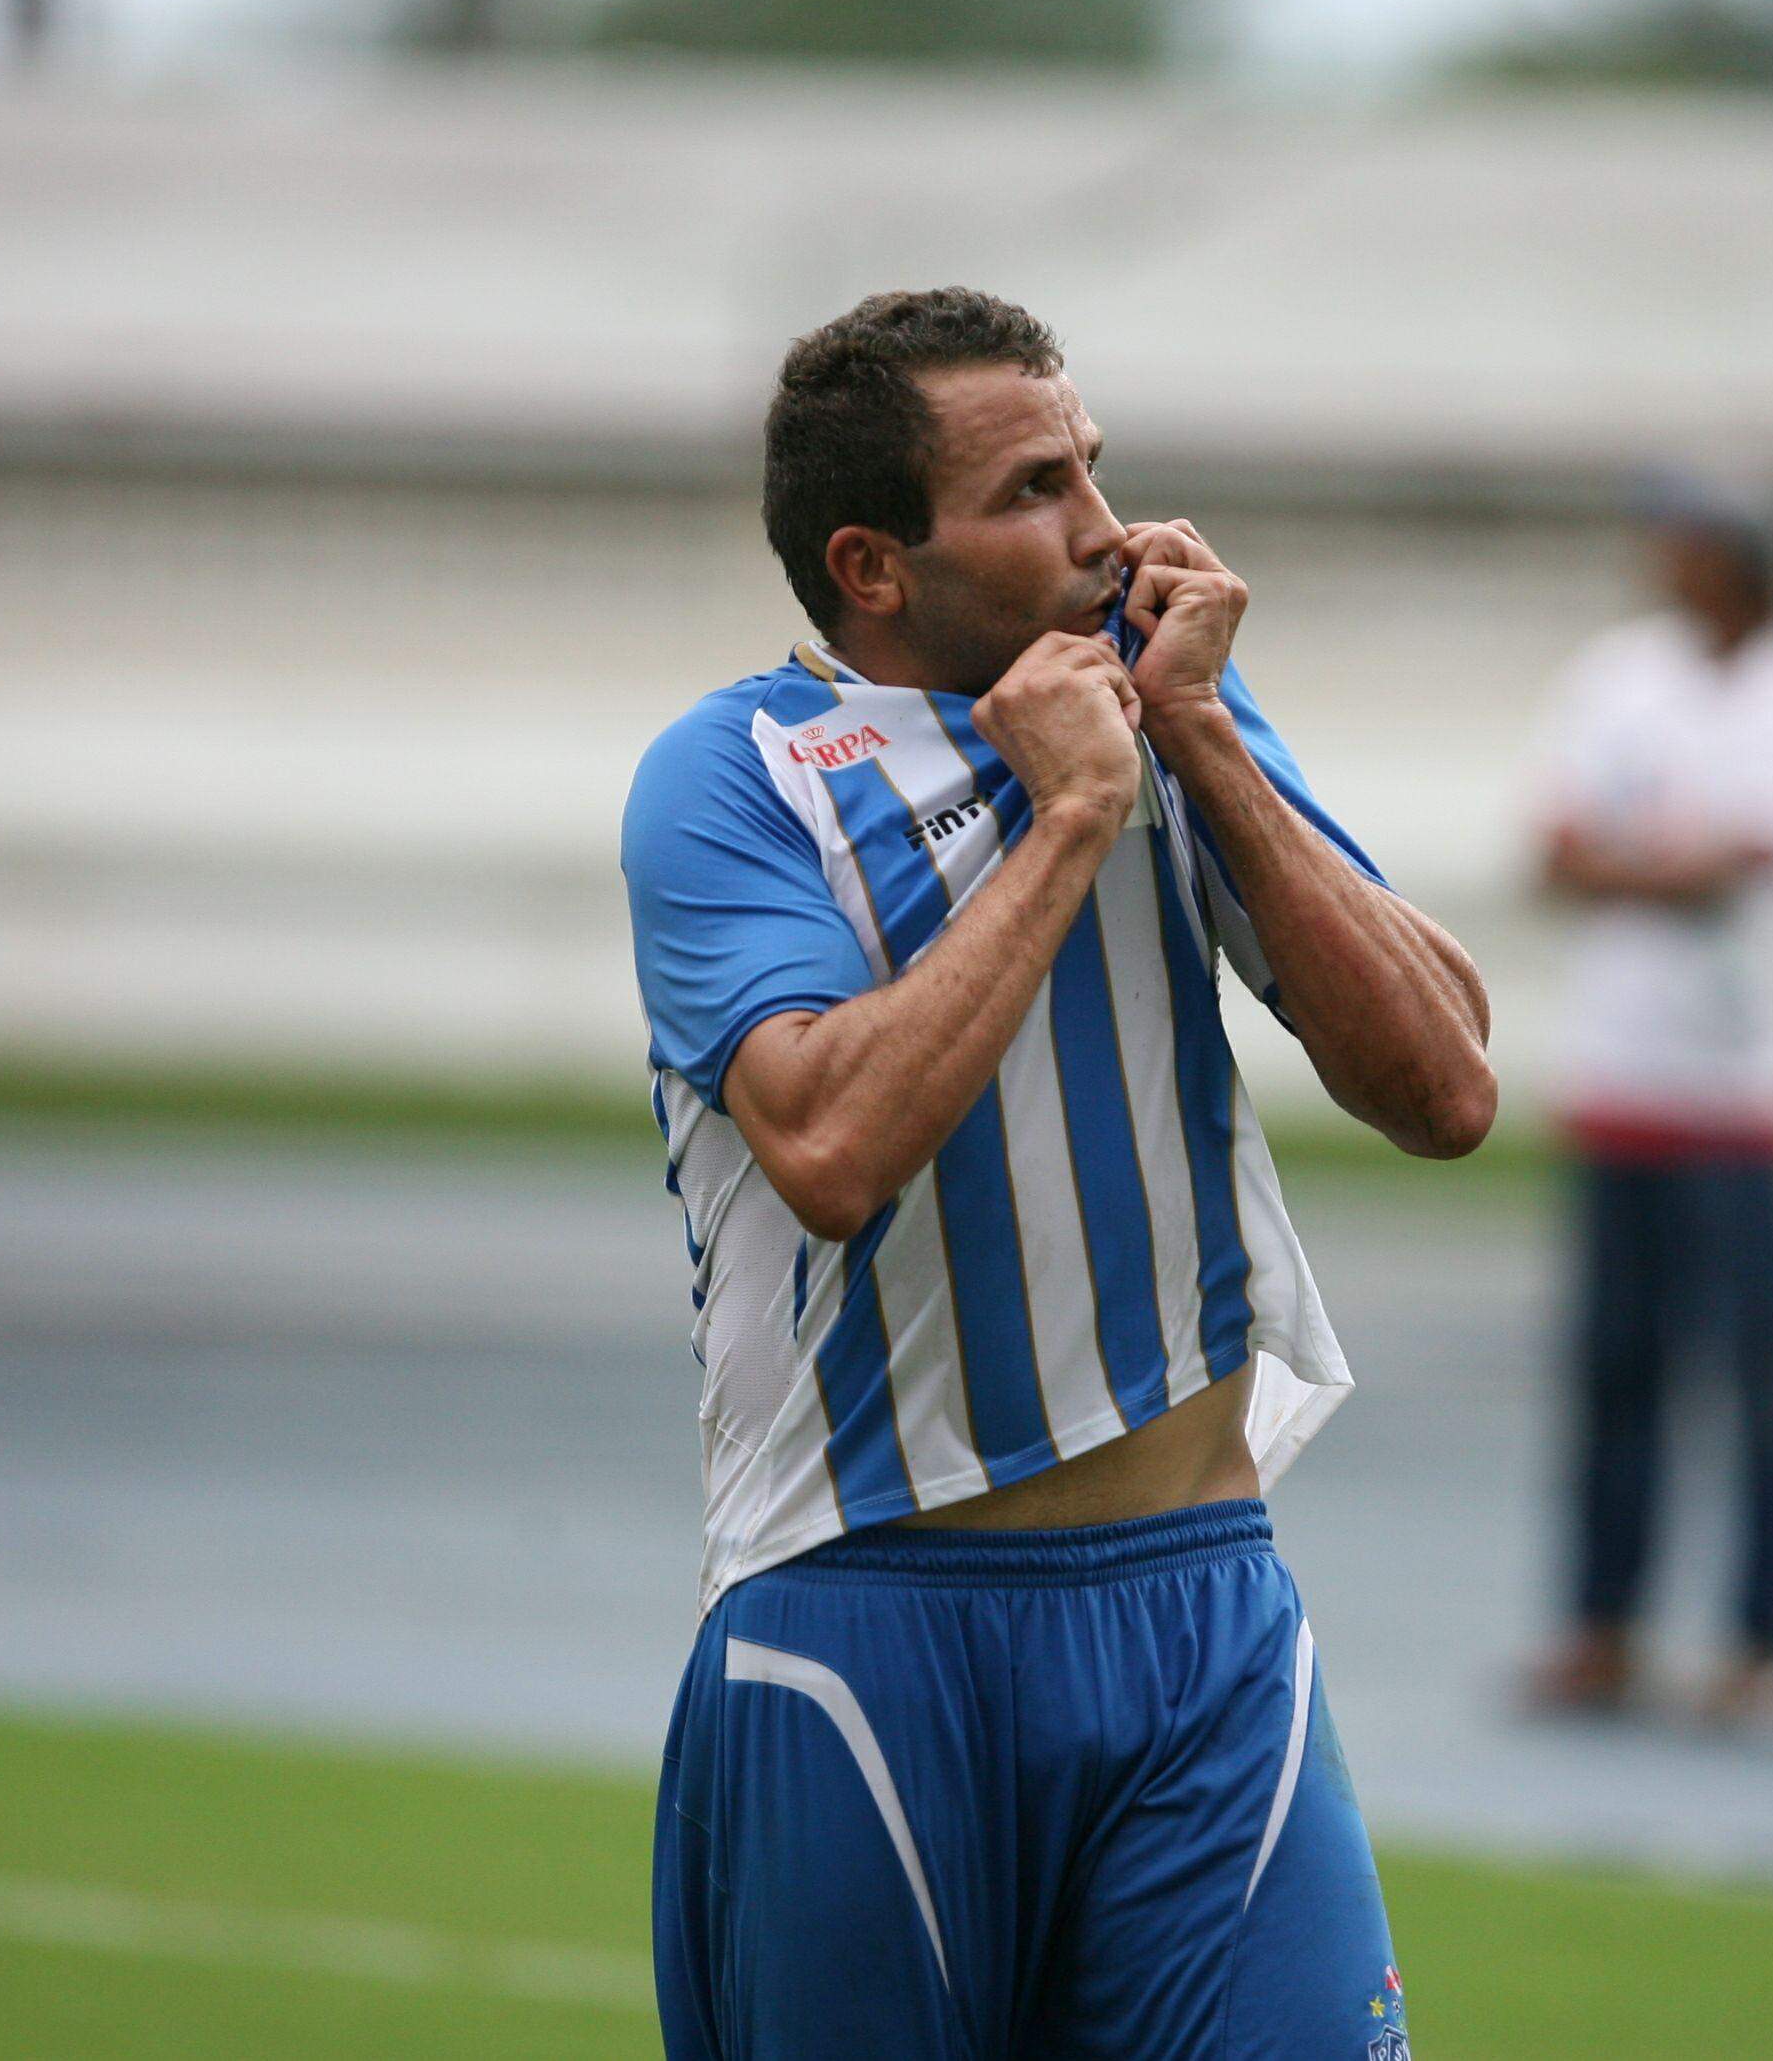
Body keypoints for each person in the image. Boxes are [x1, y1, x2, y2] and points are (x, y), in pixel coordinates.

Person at [620, 289, 1492, 2059]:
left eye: (1092, 465)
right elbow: (827, 1143)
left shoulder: (1180, 717)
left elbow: (1443, 1085)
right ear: (871, 562)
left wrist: (1202, 745)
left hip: (1200, 1611)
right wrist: (1068, 813)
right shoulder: (735, 778)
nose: (1105, 531)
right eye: (1032, 489)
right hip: (870, 1626)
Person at [1521, 471, 1773, 1719]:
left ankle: (1758, 1633)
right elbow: (1557, 850)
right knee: (1613, 1369)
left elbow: (1754, 853)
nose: (1666, 559)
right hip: (1621, 1076)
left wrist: (1638, 859)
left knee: (1764, 1380)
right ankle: (1600, 1621)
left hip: (1744, 1092)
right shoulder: (1616, 674)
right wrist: (1666, 859)